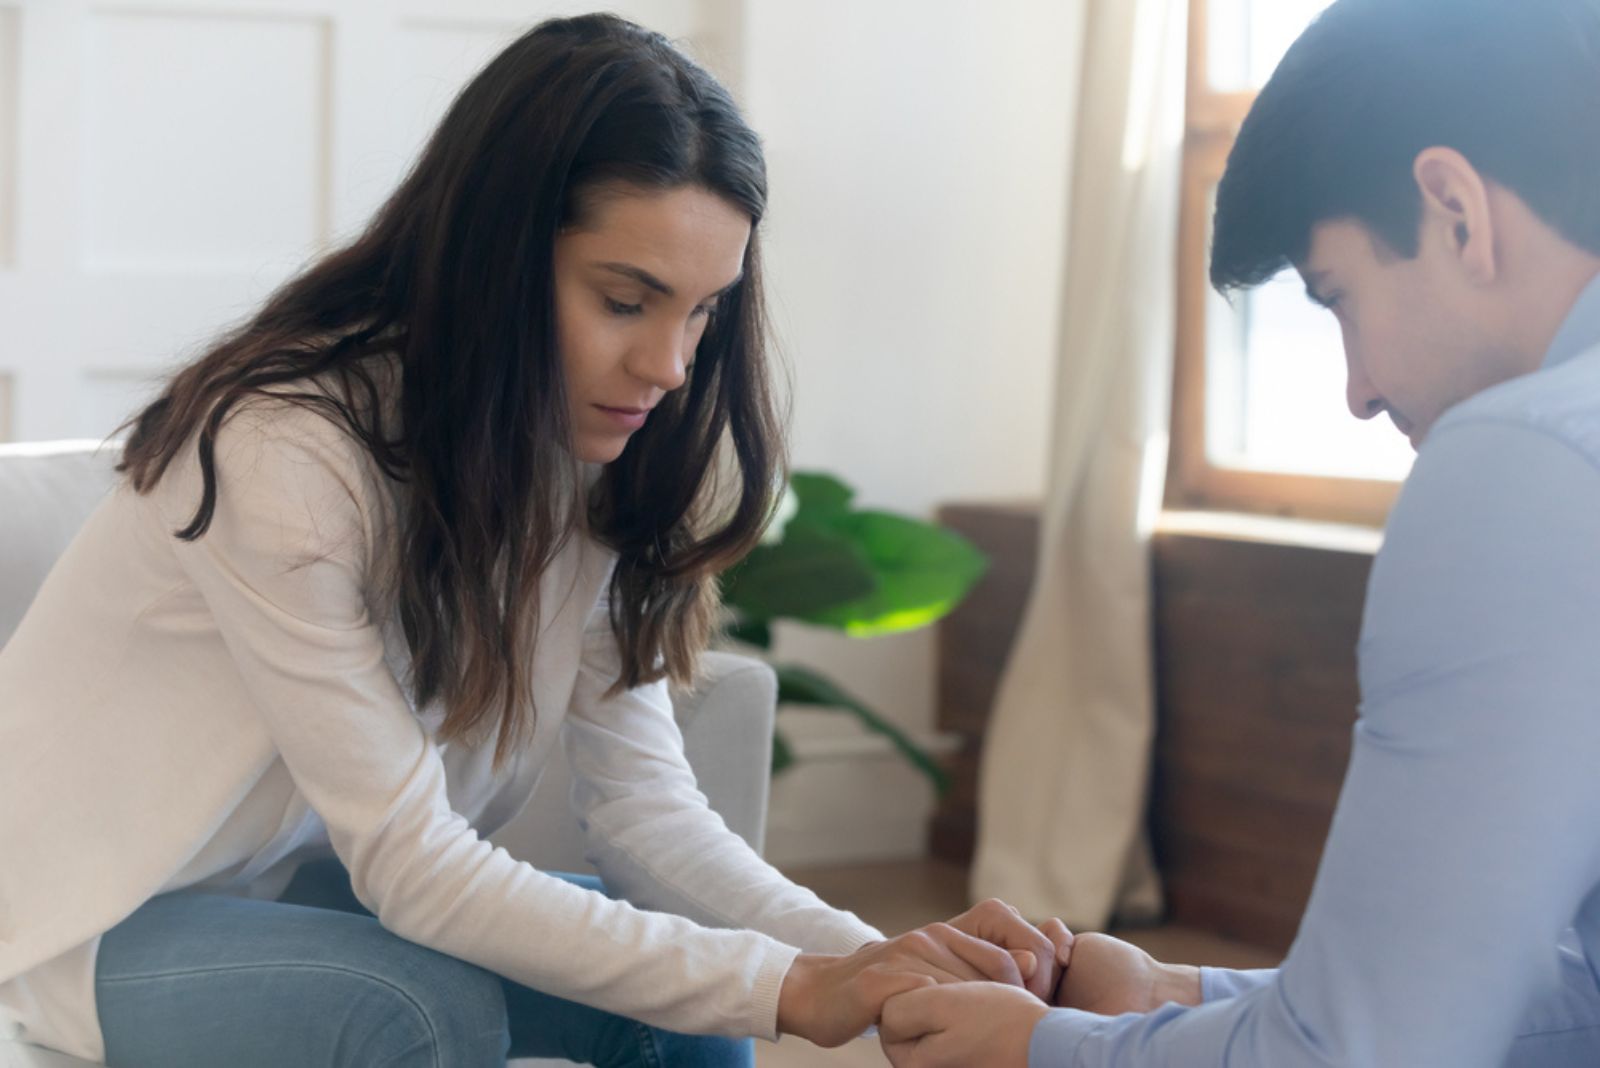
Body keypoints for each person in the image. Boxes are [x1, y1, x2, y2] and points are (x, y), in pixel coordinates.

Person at [0, 14, 1072, 1067]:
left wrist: (882, 962)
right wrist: (793, 989)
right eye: (625, 300)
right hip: (78, 920)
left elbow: (648, 814)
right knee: (416, 1004)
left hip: (270, 888)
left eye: (702, 312)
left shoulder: (582, 458)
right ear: (494, 258)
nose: (670, 365)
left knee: (684, 998)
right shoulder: (283, 452)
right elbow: (413, 868)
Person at [876, 0, 1600, 1065]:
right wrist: (1178, 992)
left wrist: (1040, 1053)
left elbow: (1359, 1057)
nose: (1354, 391)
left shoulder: (1528, 459)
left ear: (1453, 209)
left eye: (1336, 295)